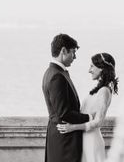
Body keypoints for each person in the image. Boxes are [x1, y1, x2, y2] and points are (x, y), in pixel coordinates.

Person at [56, 53, 119, 162]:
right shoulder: (99, 89)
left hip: (92, 142)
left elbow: (98, 122)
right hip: (85, 140)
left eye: (92, 66)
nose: (89, 70)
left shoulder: (104, 91)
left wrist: (72, 127)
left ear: (101, 68)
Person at [42, 34, 90, 162]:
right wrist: (90, 117)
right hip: (64, 142)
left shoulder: (51, 72)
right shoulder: (57, 76)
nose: (75, 57)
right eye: (73, 52)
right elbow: (64, 113)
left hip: (60, 138)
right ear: (63, 51)